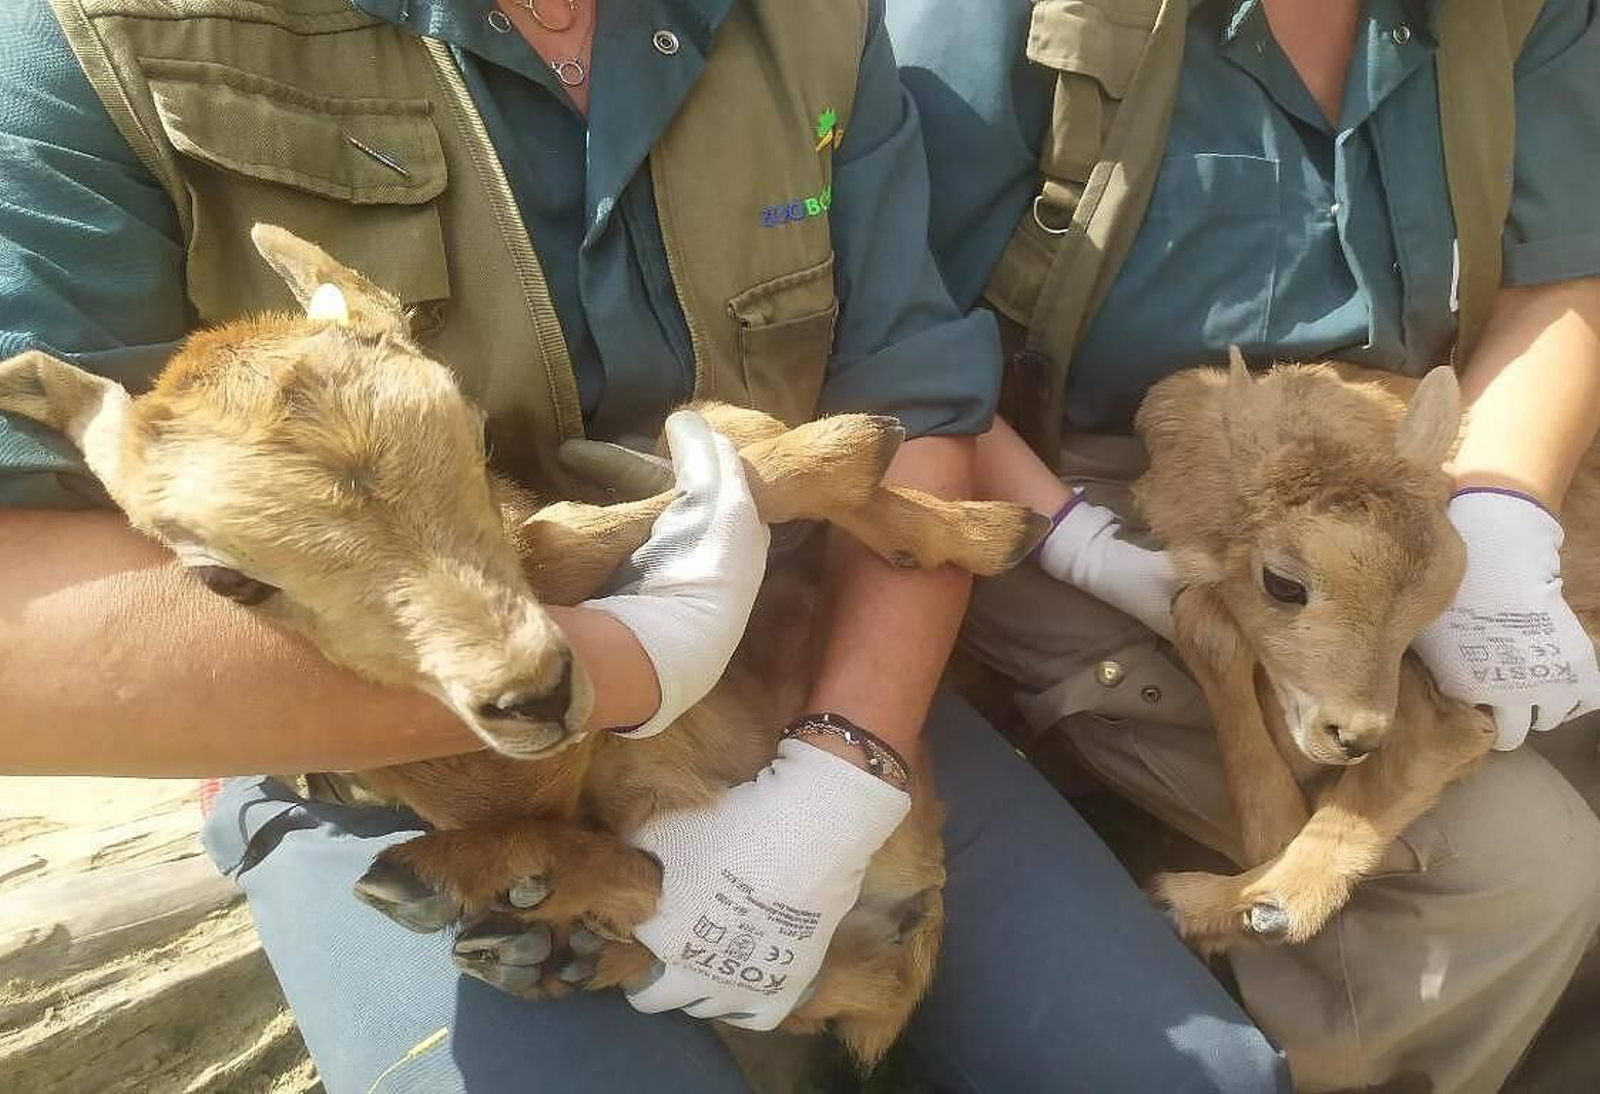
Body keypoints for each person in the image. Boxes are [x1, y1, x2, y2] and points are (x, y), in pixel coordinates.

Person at [0, 1, 1292, 1091]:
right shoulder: (94, 42)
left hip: (795, 677)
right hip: (377, 776)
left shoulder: (806, 23)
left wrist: (842, 768)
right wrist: (613, 662)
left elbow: (919, 396)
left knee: (1192, 1074)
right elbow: (25, 633)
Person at [885, 0, 1600, 1089]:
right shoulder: (987, 19)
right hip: (1084, 480)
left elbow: (1563, 274)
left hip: (1398, 463)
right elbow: (891, 335)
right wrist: (1077, 543)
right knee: (1505, 869)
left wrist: (1503, 510)